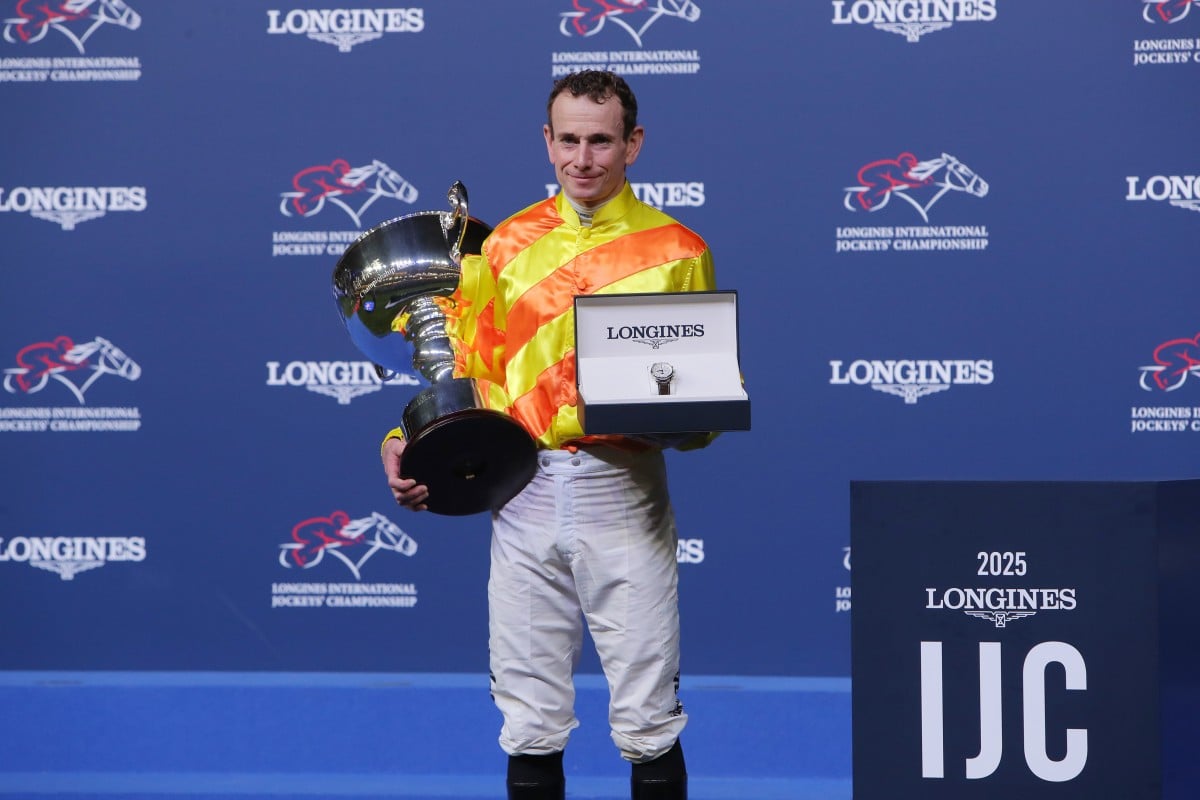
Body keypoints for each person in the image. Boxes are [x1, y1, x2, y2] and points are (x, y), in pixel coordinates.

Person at [381, 69, 718, 800]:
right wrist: (399, 438)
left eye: (601, 141)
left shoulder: (679, 250)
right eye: (568, 140)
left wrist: (694, 418)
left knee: (649, 718)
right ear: (547, 140)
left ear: (634, 143)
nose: (583, 159)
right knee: (529, 720)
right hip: (523, 493)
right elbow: (468, 366)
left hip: (623, 497)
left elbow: (698, 404)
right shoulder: (501, 247)